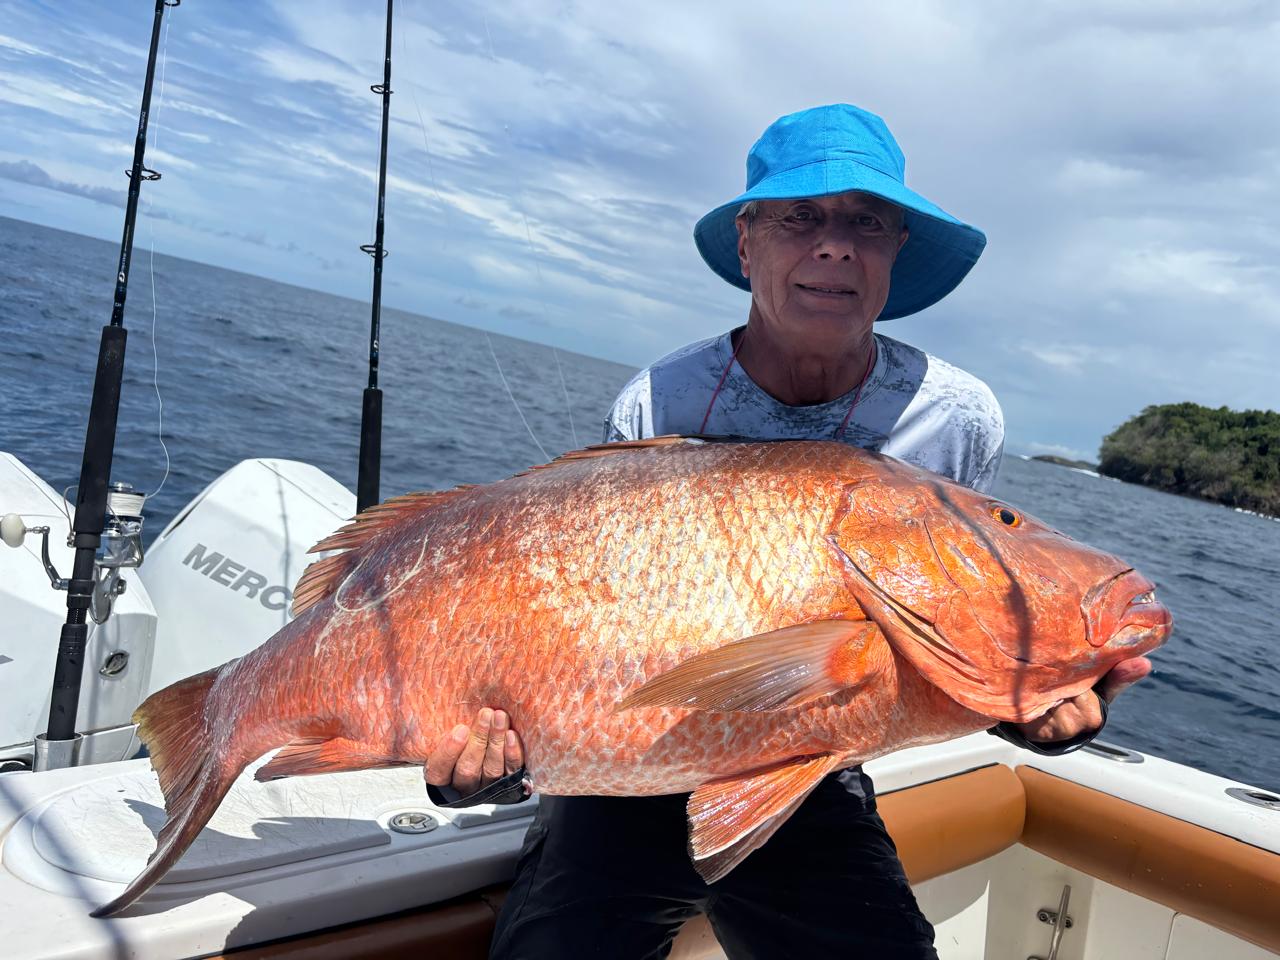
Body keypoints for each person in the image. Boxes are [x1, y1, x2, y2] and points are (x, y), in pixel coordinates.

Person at [426, 103, 1153, 958]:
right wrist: (500, 741)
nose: (835, 244)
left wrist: (1023, 702)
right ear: (747, 243)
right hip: (631, 770)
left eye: (868, 223)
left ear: (895, 253)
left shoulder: (954, 418)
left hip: (812, 775)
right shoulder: (659, 400)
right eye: (801, 217)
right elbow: (591, 609)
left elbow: (946, 622)